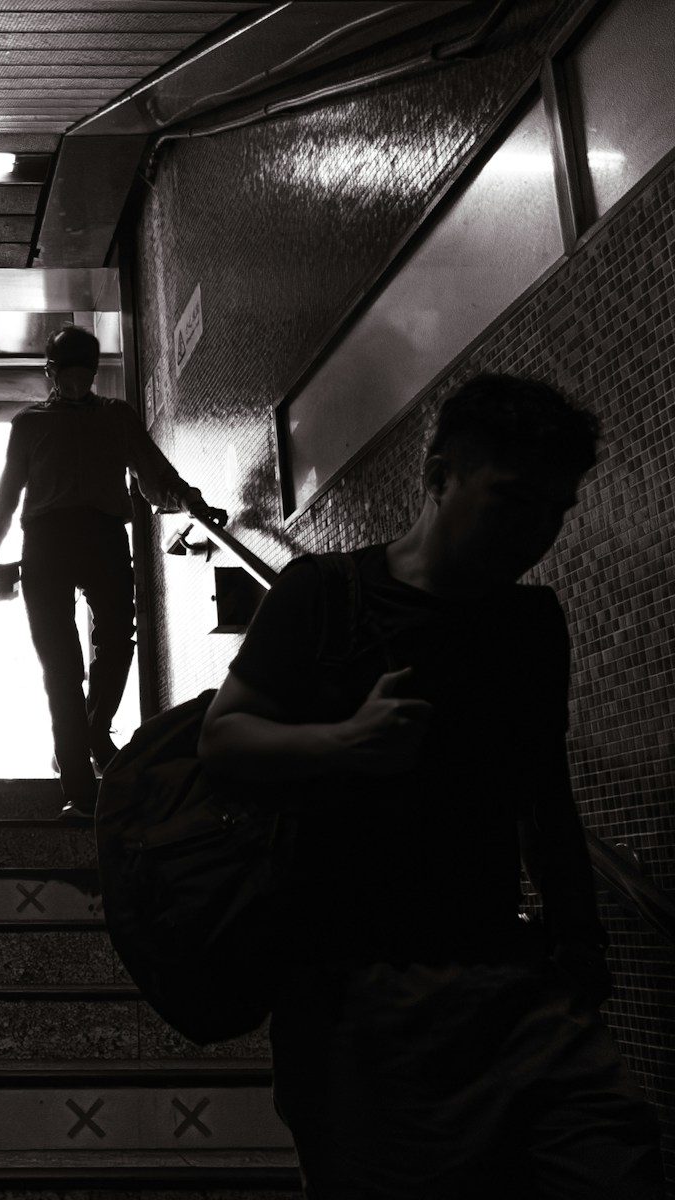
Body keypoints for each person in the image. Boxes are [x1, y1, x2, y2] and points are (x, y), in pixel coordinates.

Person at [197, 375, 661, 1197]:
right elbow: (223, 737)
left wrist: (580, 949)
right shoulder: (325, 595)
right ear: (440, 476)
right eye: (513, 500)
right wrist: (345, 742)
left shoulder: (531, 622)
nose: (537, 531)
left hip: (510, 982)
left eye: (555, 510)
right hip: (352, 991)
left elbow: (544, 792)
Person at [0, 324, 227, 819]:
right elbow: (4, 498)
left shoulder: (116, 416)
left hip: (104, 536)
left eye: (85, 373)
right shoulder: (29, 424)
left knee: (117, 641)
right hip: (45, 543)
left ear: (93, 372)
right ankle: (79, 789)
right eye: (66, 373)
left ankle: (91, 732)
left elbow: (157, 475)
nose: (76, 383)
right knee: (61, 667)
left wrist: (193, 504)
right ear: (50, 373)